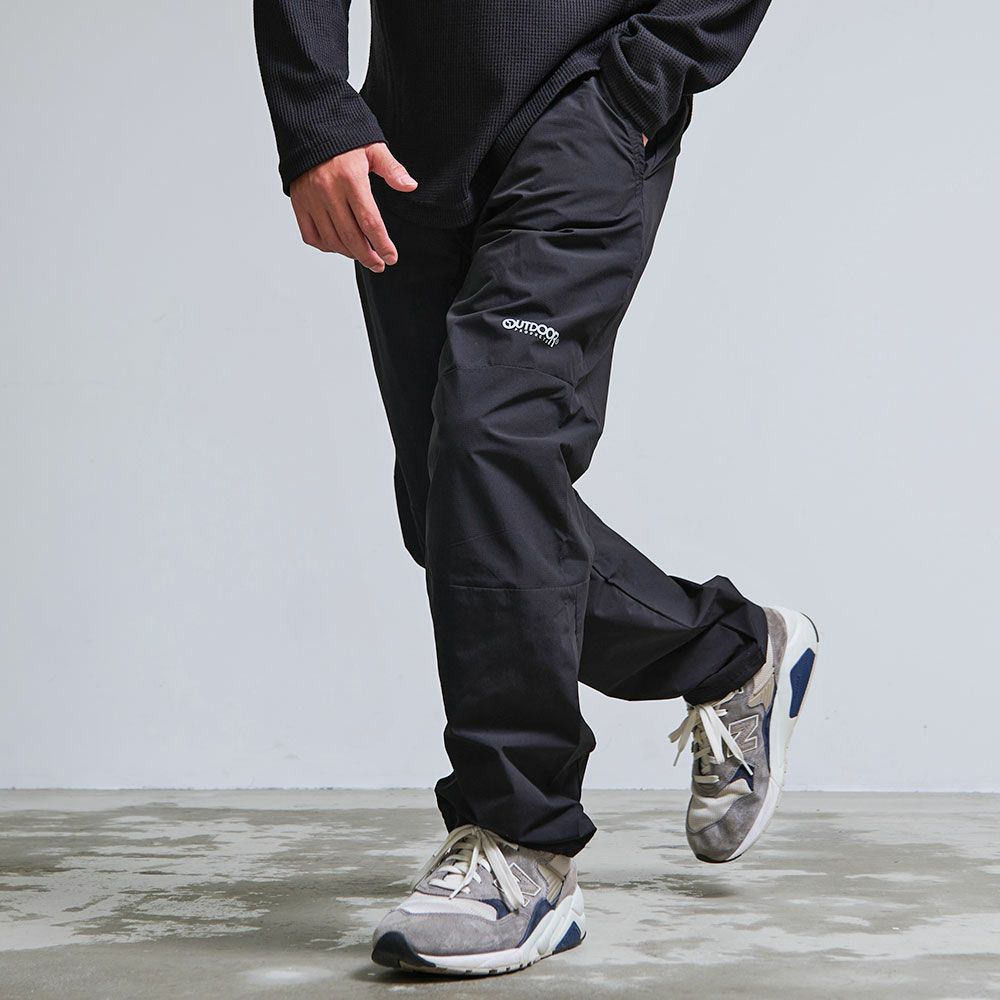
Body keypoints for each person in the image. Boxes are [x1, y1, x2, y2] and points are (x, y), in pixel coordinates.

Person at [254, 0, 819, 976]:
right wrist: (316, 113)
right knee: (452, 512)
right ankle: (729, 653)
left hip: (583, 108)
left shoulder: (607, 98)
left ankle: (521, 843)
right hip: (406, 130)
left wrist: (638, 84)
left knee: (490, 449)